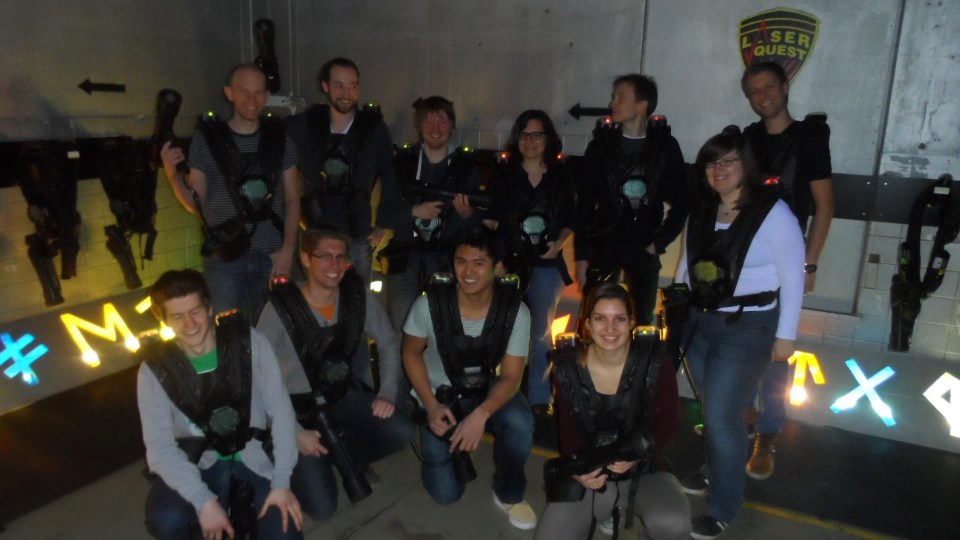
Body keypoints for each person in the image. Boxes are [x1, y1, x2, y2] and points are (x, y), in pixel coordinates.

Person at [676, 129, 805, 539]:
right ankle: (716, 468)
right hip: (699, 322)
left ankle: (724, 508)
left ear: (745, 165)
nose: (719, 170)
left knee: (720, 415)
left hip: (748, 327)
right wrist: (675, 311)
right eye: (711, 163)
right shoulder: (703, 209)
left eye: (728, 161)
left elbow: (793, 276)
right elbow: (687, 264)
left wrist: (786, 336)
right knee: (713, 409)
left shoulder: (773, 213)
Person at [256, 227, 415, 521]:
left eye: (341, 257)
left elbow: (388, 343)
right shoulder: (280, 307)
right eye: (325, 256)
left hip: (339, 395)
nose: (335, 264)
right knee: (322, 507)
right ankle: (282, 456)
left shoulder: (357, 296)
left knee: (401, 431)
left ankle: (336, 454)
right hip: (293, 410)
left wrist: (387, 392)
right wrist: (294, 433)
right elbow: (256, 376)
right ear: (306, 259)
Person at [137, 269, 303, 540]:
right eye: (177, 317)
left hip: (253, 457)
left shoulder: (250, 343)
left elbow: (282, 411)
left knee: (285, 532)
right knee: (166, 520)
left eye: (195, 312)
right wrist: (203, 500)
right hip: (199, 462)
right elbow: (159, 448)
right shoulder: (154, 370)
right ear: (163, 320)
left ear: (209, 308)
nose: (189, 324)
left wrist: (282, 481)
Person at [401, 225, 537, 530]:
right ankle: (449, 438)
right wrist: (430, 404)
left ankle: (509, 492)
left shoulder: (516, 312)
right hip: (439, 394)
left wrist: (481, 414)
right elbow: (410, 352)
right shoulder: (429, 304)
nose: (468, 271)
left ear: (498, 268)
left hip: (485, 388)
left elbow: (512, 376)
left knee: (519, 421)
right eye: (461, 261)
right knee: (446, 495)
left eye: (479, 263)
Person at [535, 283, 690, 540]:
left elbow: (670, 420)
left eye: (619, 319)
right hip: (592, 470)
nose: (610, 328)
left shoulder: (655, 362)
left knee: (674, 524)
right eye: (600, 319)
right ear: (587, 323)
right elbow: (567, 427)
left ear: (632, 322)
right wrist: (579, 470)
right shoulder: (568, 366)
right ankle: (602, 509)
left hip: (643, 469)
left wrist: (638, 455)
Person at [740, 61, 834, 479]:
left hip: (786, 259)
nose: (763, 96)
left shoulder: (809, 138)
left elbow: (825, 205)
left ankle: (768, 433)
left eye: (769, 87)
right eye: (754, 91)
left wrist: (809, 262)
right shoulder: (747, 139)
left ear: (785, 88)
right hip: (745, 258)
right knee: (742, 343)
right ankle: (741, 415)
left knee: (780, 351)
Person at [161, 64, 300, 321]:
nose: (251, 100)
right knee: (226, 330)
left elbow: (293, 199)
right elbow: (194, 202)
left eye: (258, 92)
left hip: (272, 255)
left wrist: (288, 250)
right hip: (225, 257)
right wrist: (172, 175)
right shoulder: (207, 139)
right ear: (229, 93)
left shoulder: (280, 138)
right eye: (243, 91)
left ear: (266, 96)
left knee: (274, 331)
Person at [574, 74, 688, 325]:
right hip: (603, 244)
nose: (612, 103)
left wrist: (657, 243)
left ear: (642, 104)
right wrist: (581, 257)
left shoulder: (665, 147)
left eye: (620, 97)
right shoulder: (601, 147)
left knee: (642, 321)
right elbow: (584, 206)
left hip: (644, 246)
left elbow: (682, 202)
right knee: (594, 315)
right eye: (613, 97)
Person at [380, 96, 492, 334]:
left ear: (451, 126)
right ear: (420, 126)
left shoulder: (466, 167)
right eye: (429, 121)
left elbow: (479, 223)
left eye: (442, 122)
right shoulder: (401, 163)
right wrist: (413, 212)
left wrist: (467, 213)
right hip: (405, 262)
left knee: (446, 331)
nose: (436, 128)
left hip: (446, 261)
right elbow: (384, 215)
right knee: (402, 329)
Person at [284, 57, 400, 282]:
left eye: (353, 86)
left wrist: (383, 224)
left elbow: (390, 175)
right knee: (315, 296)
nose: (346, 94)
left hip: (356, 234)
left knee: (356, 297)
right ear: (325, 86)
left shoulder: (373, 129)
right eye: (339, 86)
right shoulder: (304, 126)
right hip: (316, 233)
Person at [493, 110, 576, 417]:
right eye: (524, 135)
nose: (530, 141)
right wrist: (496, 259)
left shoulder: (561, 174)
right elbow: (493, 219)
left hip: (546, 263)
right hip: (509, 262)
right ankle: (499, 391)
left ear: (547, 137)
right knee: (503, 327)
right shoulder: (504, 173)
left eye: (536, 135)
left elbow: (570, 218)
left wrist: (559, 244)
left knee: (540, 332)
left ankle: (540, 397)